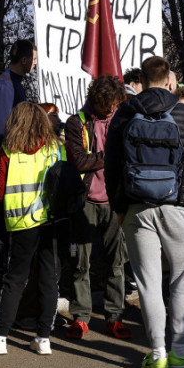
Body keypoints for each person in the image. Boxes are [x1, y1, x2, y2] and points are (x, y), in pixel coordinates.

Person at [103, 56, 184, 368]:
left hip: (136, 209)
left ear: (141, 80)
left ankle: (158, 355)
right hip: (180, 205)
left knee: (149, 284)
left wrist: (120, 209)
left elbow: (111, 168)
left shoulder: (124, 113)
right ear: (169, 81)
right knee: (182, 282)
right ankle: (180, 352)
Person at [0, 103, 65, 356]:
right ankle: (43, 338)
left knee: (14, 279)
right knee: (48, 278)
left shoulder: (6, 150)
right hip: (51, 220)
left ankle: (0, 338)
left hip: (20, 222)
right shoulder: (55, 148)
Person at [63, 75, 132, 341]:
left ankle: (115, 317)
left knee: (117, 263)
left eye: (114, 105)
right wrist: (112, 157)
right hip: (85, 201)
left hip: (116, 200)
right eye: (106, 106)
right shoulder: (76, 122)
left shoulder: (122, 120)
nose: (110, 109)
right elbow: (80, 161)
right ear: (95, 100)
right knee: (81, 263)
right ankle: (81, 318)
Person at [0, 39, 37, 150]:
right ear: (24, 60)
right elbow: (1, 130)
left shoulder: (14, 83)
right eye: (34, 59)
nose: (35, 63)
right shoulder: (4, 85)